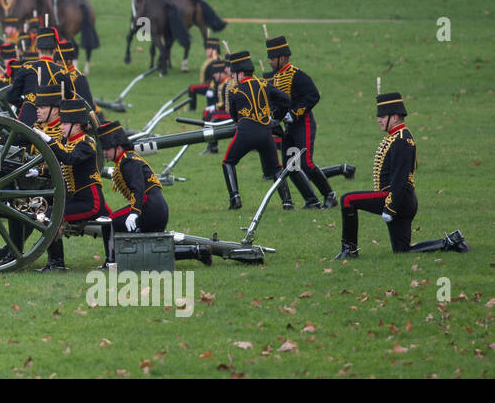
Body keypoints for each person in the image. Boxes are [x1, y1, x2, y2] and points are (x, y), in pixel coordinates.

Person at [334, 93, 467, 259]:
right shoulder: (397, 136)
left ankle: (349, 251)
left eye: (382, 116)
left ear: (394, 117)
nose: (379, 120)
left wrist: (390, 207)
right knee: (402, 250)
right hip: (403, 200)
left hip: (397, 198)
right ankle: (449, 242)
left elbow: (400, 177)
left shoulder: (402, 140)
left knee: (348, 200)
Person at [98, 121, 213, 264]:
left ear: (118, 147)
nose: (104, 153)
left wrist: (134, 213)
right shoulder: (129, 158)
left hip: (149, 208)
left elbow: (138, 188)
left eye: (107, 149)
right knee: (150, 248)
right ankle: (197, 251)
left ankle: (111, 262)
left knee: (108, 222)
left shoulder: (127, 161)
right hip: (157, 208)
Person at [37, 98, 121, 271]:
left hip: (90, 201)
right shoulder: (70, 142)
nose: (61, 127)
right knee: (111, 221)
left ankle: (57, 263)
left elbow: (70, 158)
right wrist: (39, 172)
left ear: (76, 126)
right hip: (79, 199)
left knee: (50, 217)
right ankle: (112, 261)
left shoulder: (86, 143)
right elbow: (62, 166)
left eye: (64, 124)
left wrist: (49, 141)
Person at [265, 35, 336, 210]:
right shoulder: (274, 79)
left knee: (307, 163)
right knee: (291, 165)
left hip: (303, 124)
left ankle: (330, 195)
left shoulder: (297, 75)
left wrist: (294, 114)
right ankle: (311, 200)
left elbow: (313, 96)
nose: (270, 62)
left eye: (273, 58)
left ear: (284, 58)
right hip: (289, 127)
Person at [220, 51, 294, 211]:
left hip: (245, 133)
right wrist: (276, 117)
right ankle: (287, 202)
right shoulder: (264, 84)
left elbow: (234, 117)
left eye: (234, 74)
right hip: (266, 133)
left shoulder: (234, 92)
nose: (233, 77)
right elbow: (285, 100)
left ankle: (235, 198)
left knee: (228, 162)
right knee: (276, 168)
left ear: (240, 73)